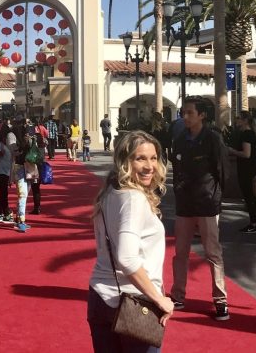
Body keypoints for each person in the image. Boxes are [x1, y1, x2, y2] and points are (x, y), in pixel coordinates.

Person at [88, 130, 174, 351]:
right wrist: (158, 298)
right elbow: (127, 258)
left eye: (153, 158)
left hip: (100, 298)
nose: (149, 166)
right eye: (140, 158)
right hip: (133, 303)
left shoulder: (109, 192)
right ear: (125, 162)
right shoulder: (133, 199)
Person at [170, 96, 229, 321]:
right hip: (184, 203)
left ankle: (220, 300)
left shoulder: (213, 139)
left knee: (213, 253)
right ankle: (178, 295)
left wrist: (215, 196)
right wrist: (177, 188)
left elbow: (222, 171)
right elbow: (176, 167)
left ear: (202, 115)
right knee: (180, 253)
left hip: (207, 204)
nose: (185, 117)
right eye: (183, 113)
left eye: (189, 113)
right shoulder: (180, 138)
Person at [227, 111, 256, 233]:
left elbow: (246, 154)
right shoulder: (252, 133)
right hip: (250, 167)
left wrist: (231, 151)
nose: (236, 120)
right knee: (250, 193)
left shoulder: (246, 134)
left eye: (238, 118)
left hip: (245, 168)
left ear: (245, 120)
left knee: (248, 196)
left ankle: (253, 223)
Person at [0, 124, 15, 223]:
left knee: (3, 194)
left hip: (4, 172)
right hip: (0, 172)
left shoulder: (5, 146)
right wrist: (0, 154)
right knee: (4, 194)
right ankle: (6, 213)